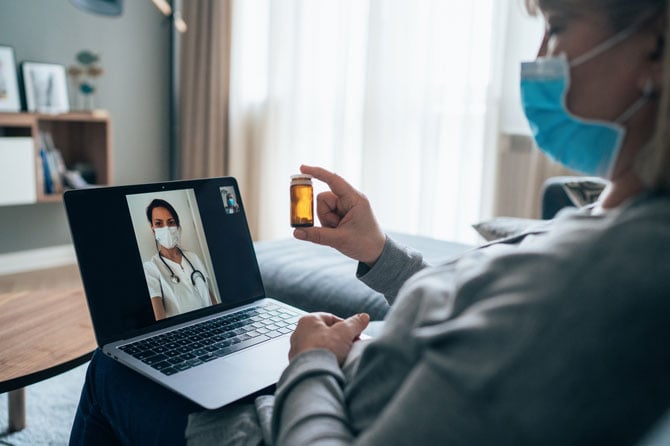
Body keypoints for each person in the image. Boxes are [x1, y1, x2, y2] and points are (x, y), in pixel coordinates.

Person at [70, 0, 670, 444]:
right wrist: (377, 251)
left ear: (656, 49)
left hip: (290, 418)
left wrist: (310, 363)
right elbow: (477, 311)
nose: (538, 59)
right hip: (332, 376)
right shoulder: (612, 221)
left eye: (558, 27)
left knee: (110, 370)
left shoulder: (601, 278)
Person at [143, 198, 218, 320]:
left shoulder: (193, 258)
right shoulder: (150, 269)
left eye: (171, 222)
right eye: (159, 223)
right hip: (183, 333)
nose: (166, 228)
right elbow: (159, 319)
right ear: (153, 228)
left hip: (211, 323)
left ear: (177, 226)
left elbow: (212, 299)